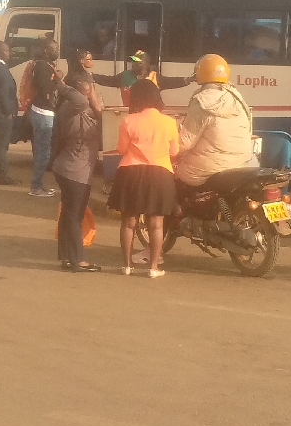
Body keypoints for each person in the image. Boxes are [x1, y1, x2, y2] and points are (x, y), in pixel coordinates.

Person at [107, 78, 179, 277]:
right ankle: (153, 268)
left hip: (131, 172)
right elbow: (174, 152)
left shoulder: (128, 120)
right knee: (156, 224)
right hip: (161, 174)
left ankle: (127, 266)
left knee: (128, 222)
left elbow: (122, 149)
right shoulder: (169, 122)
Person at [174, 53, 255, 187]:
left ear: (199, 73)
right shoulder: (237, 97)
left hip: (206, 171)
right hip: (239, 165)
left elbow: (184, 143)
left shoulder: (202, 101)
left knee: (176, 178)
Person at [50, 72, 103, 271]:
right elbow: (80, 100)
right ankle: (78, 260)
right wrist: (61, 84)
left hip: (74, 168)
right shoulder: (72, 107)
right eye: (89, 85)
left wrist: (94, 101)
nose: (92, 88)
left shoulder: (78, 108)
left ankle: (67, 257)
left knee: (69, 214)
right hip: (74, 169)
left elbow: (103, 121)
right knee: (74, 215)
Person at [27, 39, 63, 198]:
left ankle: (39, 185)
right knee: (43, 153)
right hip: (43, 113)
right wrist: (57, 79)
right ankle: (36, 187)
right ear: (46, 50)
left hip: (42, 112)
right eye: (54, 48)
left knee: (44, 151)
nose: (57, 51)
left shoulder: (43, 65)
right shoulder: (42, 66)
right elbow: (45, 89)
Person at [90, 49, 193, 103]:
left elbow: (172, 82)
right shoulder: (124, 76)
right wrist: (92, 76)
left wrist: (188, 80)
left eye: (137, 62)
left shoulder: (155, 77)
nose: (133, 64)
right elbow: (108, 80)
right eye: (133, 61)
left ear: (146, 64)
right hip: (130, 115)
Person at [0, 40, 18, 186]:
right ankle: (3, 175)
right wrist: (8, 112)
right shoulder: (1, 70)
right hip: (1, 115)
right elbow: (3, 93)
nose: (9, 53)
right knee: (1, 145)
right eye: (5, 51)